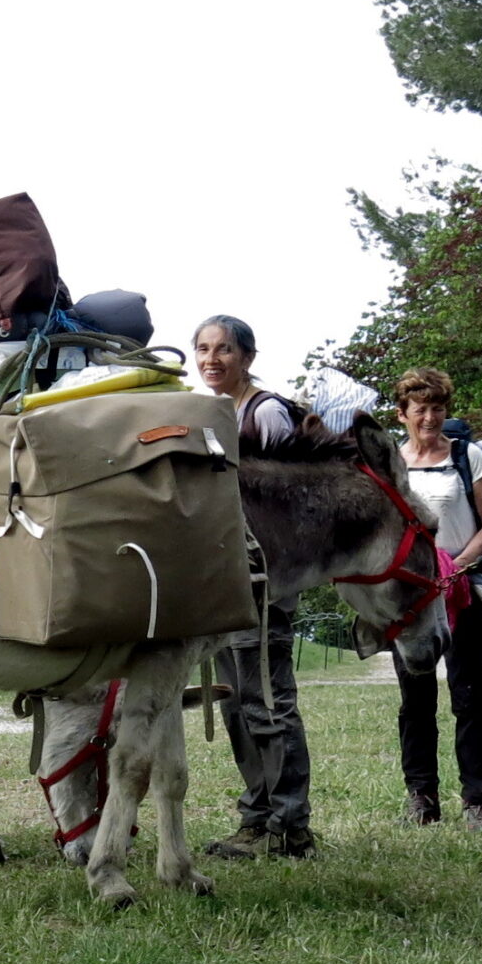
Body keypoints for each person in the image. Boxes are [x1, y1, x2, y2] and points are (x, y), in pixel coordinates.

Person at [194, 314, 315, 860]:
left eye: (223, 349)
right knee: (237, 703)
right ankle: (257, 817)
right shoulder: (216, 413)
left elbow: (286, 502)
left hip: (263, 582)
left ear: (247, 356)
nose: (211, 359)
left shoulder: (266, 412)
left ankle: (291, 827)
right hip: (226, 580)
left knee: (268, 701)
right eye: (203, 349)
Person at [389, 369, 482, 832]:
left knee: (471, 695)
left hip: (462, 587)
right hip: (410, 596)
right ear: (402, 414)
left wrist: (454, 566)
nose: (430, 417)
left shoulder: (469, 456)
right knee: (414, 699)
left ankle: (477, 800)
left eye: (438, 408)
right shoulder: (392, 464)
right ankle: (421, 796)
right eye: (420, 409)